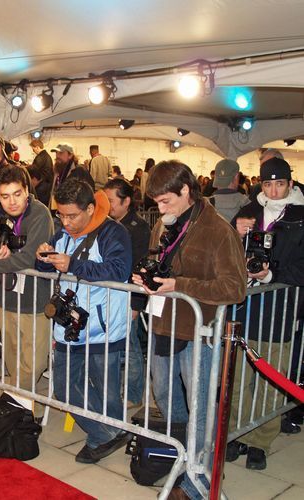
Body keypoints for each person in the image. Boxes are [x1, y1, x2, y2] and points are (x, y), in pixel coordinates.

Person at [131, 160, 246, 500]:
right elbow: (160, 263)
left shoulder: (218, 230)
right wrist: (147, 279)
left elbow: (234, 288)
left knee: (201, 409)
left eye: (165, 201)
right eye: (156, 202)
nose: (160, 208)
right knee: (165, 395)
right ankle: (186, 457)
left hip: (200, 330)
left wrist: (179, 285)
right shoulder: (165, 225)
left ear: (187, 191)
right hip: (163, 324)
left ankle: (196, 482)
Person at [36, 179, 133, 464]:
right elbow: (50, 263)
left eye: (71, 215)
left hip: (104, 328)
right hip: (69, 326)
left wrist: (73, 265)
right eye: (61, 215)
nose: (65, 221)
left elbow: (119, 269)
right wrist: (43, 258)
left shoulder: (114, 232)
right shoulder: (63, 232)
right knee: (65, 387)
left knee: (108, 393)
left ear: (90, 208)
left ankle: (108, 432)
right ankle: (107, 435)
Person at [227, 157, 304, 470]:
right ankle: (237, 432)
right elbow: (228, 255)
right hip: (246, 308)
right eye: (268, 184)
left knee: (272, 380)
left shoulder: (300, 216)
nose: (273, 190)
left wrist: (271, 275)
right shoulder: (248, 211)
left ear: (290, 183)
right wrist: (235, 232)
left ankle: (260, 440)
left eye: (280, 183)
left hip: (281, 309)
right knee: (238, 379)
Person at [0, 165, 53, 393]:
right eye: (6, 196)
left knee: (33, 364)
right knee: (12, 361)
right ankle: (17, 409)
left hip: (35, 301)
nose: (12, 202)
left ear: (27, 190)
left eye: (17, 194)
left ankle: (15, 405)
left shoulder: (40, 214)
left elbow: (27, 259)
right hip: (6, 300)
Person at [104, 178, 150, 405]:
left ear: (126, 201)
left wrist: (136, 303)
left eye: (111, 200)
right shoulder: (105, 224)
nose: (107, 204)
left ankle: (133, 394)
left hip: (127, 294)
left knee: (130, 347)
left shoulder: (138, 228)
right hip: (108, 293)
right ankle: (111, 390)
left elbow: (140, 266)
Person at [50, 143, 94, 214]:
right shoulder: (58, 170)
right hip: (58, 212)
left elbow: (88, 194)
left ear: (70, 155)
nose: (57, 156)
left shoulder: (79, 171)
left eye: (61, 153)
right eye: (56, 153)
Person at [27, 138, 53, 207]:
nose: (33, 151)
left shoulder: (42, 156)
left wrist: (24, 168)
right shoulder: (46, 156)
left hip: (42, 186)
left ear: (37, 147)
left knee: (39, 205)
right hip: (45, 186)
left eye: (33, 148)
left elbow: (34, 168)